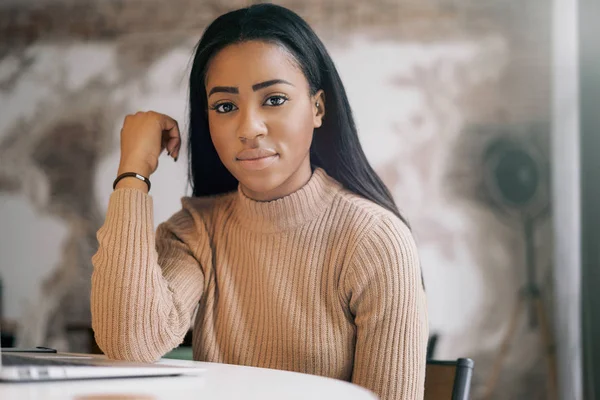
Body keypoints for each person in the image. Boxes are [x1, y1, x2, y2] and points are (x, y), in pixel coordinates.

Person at [91, 4, 428, 400]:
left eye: (274, 99)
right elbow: (128, 343)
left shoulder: (375, 241)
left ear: (318, 107)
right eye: (226, 107)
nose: (249, 128)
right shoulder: (196, 231)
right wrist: (133, 171)